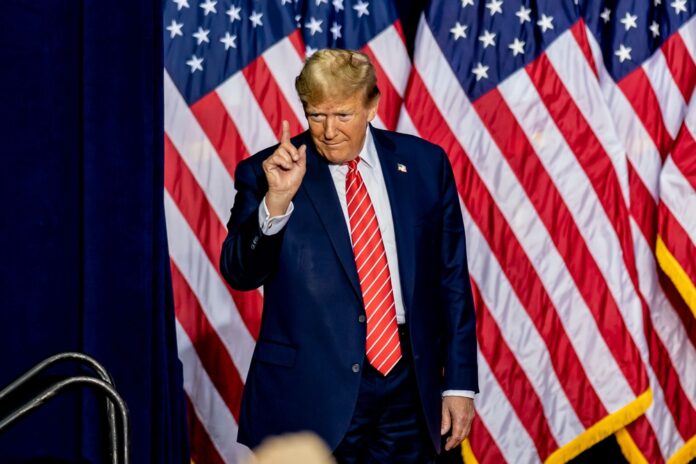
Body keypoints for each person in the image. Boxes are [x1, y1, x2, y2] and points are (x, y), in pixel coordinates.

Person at [220, 49, 478, 463]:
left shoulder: (425, 165)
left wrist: (459, 384)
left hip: (409, 390)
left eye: (342, 115)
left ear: (372, 106)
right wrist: (276, 203)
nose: (328, 131)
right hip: (311, 393)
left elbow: (451, 281)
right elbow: (239, 271)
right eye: (316, 115)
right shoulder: (268, 172)